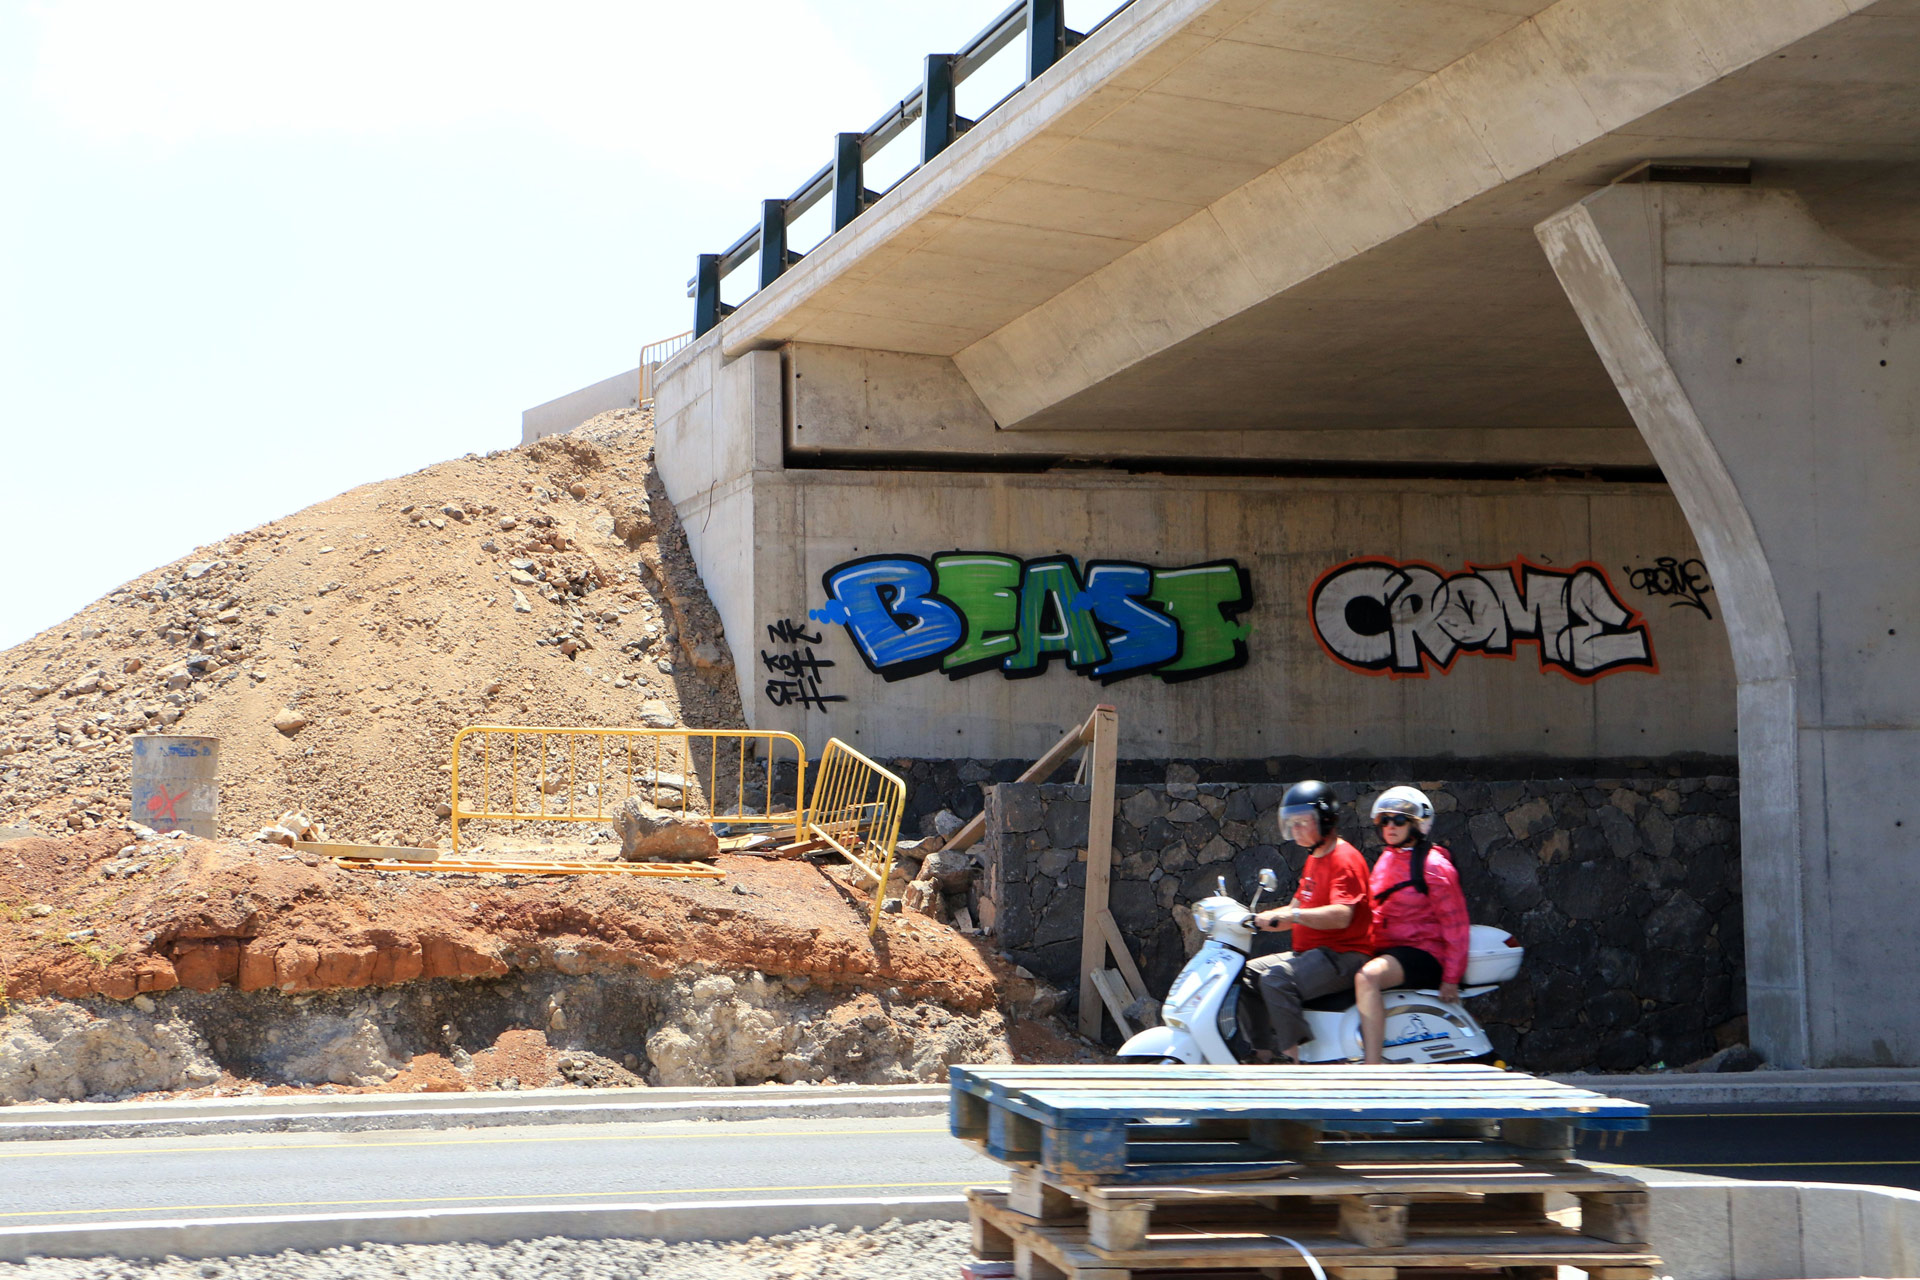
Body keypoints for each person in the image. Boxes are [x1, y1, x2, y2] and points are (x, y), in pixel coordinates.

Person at [1245, 780, 1374, 1060]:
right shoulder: (1315, 858)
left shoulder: (1344, 859)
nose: (1295, 829)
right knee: (1248, 973)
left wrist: (1292, 915)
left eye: (1302, 822)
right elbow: (1296, 909)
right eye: (1291, 823)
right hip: (1313, 954)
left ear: (1326, 821)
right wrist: (1260, 919)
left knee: (1276, 980)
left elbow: (1342, 916)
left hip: (1343, 955)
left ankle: (1294, 1060)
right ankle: (1262, 1054)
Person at [1353, 785, 1472, 1064]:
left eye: (1399, 820)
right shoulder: (1388, 857)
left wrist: (1451, 978)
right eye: (1384, 820)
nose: (1390, 826)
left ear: (1417, 825)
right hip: (1391, 949)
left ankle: (1371, 1068)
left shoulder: (1434, 866)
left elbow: (1456, 924)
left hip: (1424, 952)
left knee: (1367, 977)